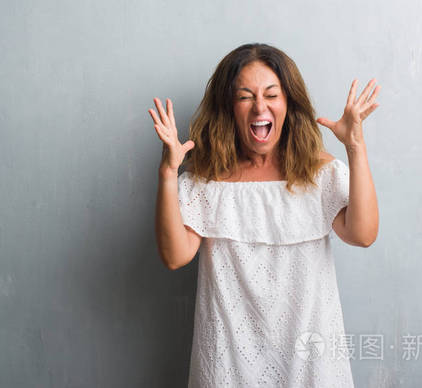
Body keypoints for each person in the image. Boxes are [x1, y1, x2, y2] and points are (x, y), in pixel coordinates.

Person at [149, 43, 379, 387]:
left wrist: (355, 148)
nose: (260, 106)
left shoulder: (318, 172)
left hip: (309, 362)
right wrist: (168, 175)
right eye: (245, 96)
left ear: (288, 103)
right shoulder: (207, 180)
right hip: (227, 362)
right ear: (228, 108)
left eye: (272, 94)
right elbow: (175, 256)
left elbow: (362, 234)